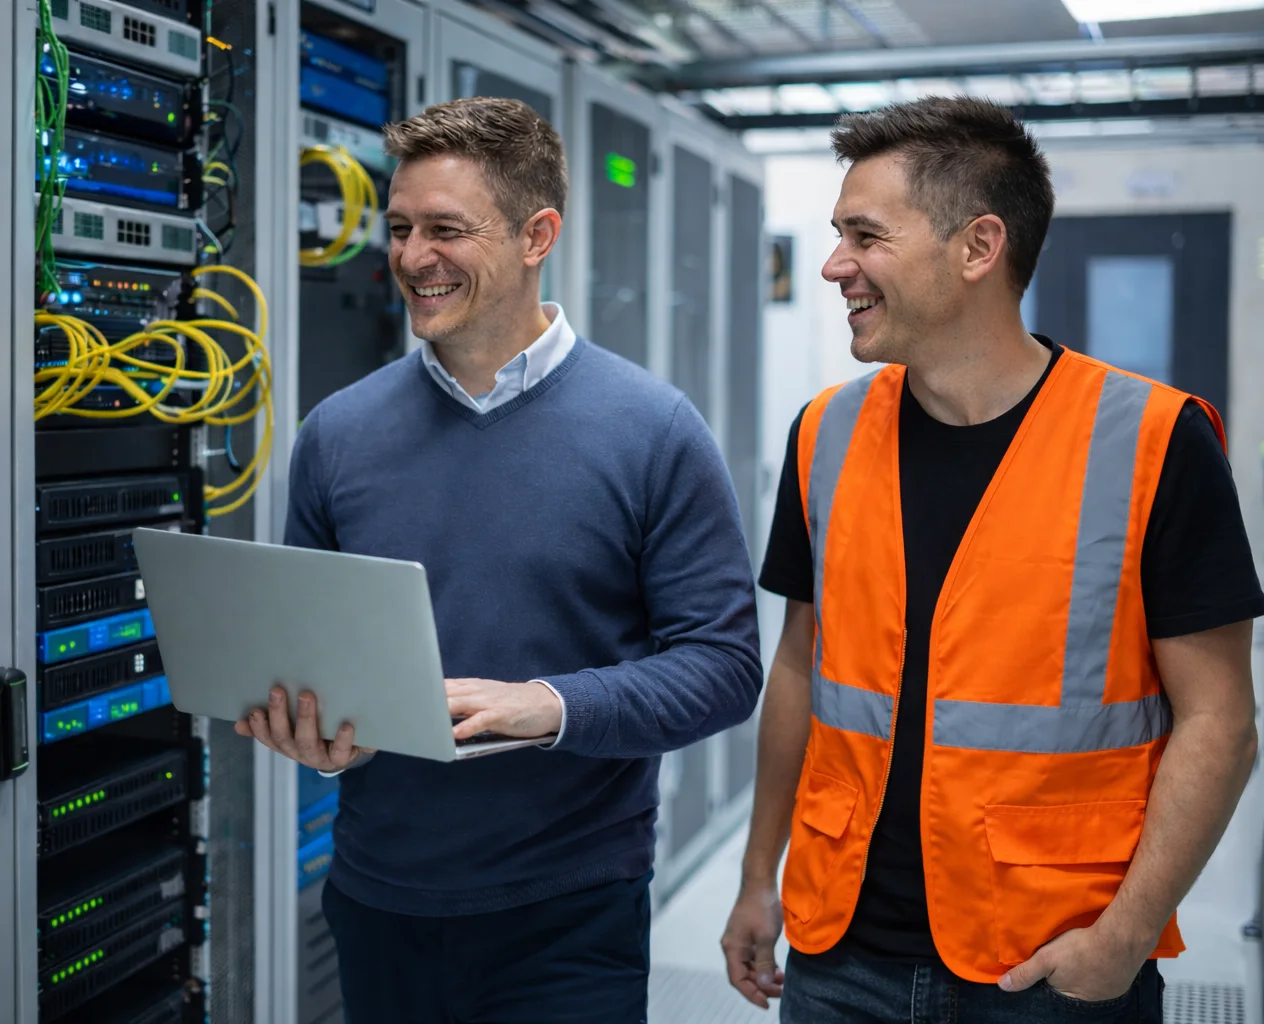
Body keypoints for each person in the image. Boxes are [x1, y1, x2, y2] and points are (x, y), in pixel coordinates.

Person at [721, 96, 1262, 1023]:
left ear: (978, 247)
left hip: (1051, 962)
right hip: (840, 952)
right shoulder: (827, 434)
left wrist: (1124, 939)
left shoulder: (1155, 442)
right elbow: (799, 670)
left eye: (866, 235)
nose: (833, 265)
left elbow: (1220, 720)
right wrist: (755, 876)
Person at [236, 96, 763, 1021]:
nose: (411, 258)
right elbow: (307, 654)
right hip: (376, 898)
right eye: (400, 230)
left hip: (568, 915)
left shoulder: (652, 429)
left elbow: (722, 671)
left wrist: (549, 706)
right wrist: (310, 737)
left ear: (537, 235)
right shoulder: (337, 435)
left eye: (446, 229)